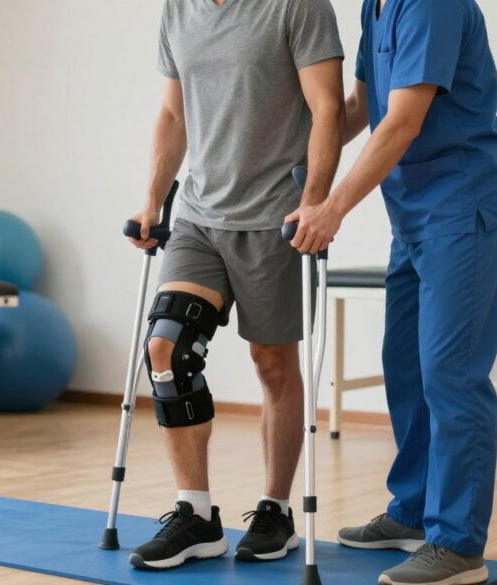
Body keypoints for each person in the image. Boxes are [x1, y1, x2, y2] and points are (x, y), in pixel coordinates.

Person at [285, 0, 497, 583]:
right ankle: (413, 511)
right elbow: (360, 108)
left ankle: (459, 543)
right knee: (406, 368)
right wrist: (293, 158)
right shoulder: (376, 6)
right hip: (412, 215)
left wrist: (332, 207)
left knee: (450, 372)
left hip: (462, 206)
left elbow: (402, 121)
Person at [124, 0, 345, 571]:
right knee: (166, 348)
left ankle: (275, 510)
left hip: (276, 217)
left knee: (273, 365)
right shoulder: (178, 11)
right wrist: (152, 198)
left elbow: (327, 109)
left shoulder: (298, 7)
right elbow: (173, 116)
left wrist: (315, 202)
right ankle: (196, 515)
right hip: (199, 217)